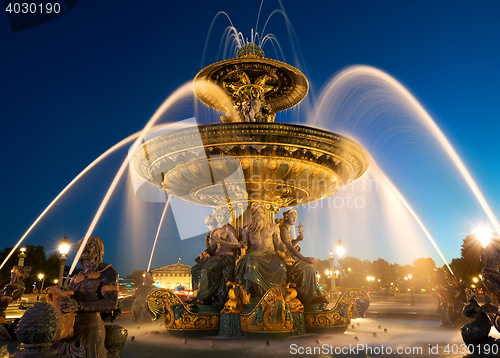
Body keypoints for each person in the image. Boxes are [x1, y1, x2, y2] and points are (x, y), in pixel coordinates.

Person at [52, 237, 126, 358]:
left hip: (91, 329)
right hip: (69, 329)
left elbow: (112, 302)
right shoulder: (77, 276)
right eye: (81, 246)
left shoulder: (108, 273)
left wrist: (79, 306)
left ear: (99, 251)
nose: (85, 247)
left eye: (90, 245)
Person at [188, 206, 244, 305]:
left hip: (226, 258)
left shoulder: (228, 229)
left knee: (207, 269)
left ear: (226, 215)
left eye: (220, 215)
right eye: (217, 215)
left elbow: (236, 245)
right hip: (216, 258)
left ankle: (202, 298)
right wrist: (206, 241)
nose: (218, 217)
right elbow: (212, 249)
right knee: (195, 270)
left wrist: (221, 241)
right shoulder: (215, 231)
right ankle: (206, 295)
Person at [235, 204, 291, 298]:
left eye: (261, 212)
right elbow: (245, 244)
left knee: (281, 267)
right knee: (250, 266)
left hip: (271, 255)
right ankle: (261, 296)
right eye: (256, 213)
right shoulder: (247, 229)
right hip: (253, 255)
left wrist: (286, 251)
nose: (259, 215)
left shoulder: (273, 227)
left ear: (265, 214)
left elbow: (279, 243)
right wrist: (242, 245)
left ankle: (277, 295)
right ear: (252, 215)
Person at [276, 210, 327, 304]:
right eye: (293, 217)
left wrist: (298, 239)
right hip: (287, 258)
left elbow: (291, 244)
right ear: (287, 217)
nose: (295, 219)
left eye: (296, 218)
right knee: (309, 269)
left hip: (289, 256)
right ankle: (307, 297)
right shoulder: (283, 229)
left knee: (311, 269)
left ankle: (314, 294)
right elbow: (289, 247)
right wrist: (305, 258)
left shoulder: (287, 230)